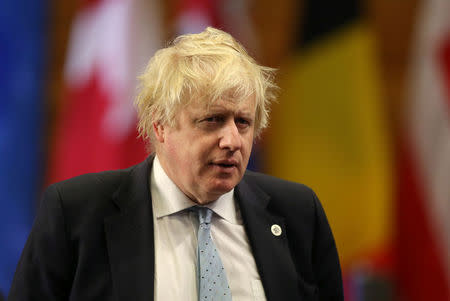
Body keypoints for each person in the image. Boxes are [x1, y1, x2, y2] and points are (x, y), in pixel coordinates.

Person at [8, 27, 343, 301]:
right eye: (212, 120)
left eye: (243, 122)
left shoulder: (298, 213)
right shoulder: (77, 214)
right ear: (161, 126)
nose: (232, 141)